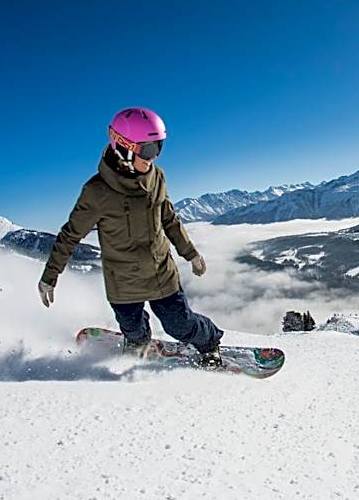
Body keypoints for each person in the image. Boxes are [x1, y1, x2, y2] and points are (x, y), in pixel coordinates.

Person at [37, 107, 224, 368]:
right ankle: (138, 342)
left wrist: (190, 253)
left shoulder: (157, 177)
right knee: (134, 332)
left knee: (180, 325)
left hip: (160, 272)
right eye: (148, 149)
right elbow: (70, 236)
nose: (154, 156)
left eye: (160, 147)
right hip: (123, 282)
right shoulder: (96, 192)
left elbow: (169, 219)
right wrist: (50, 276)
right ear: (123, 147)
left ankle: (210, 343)